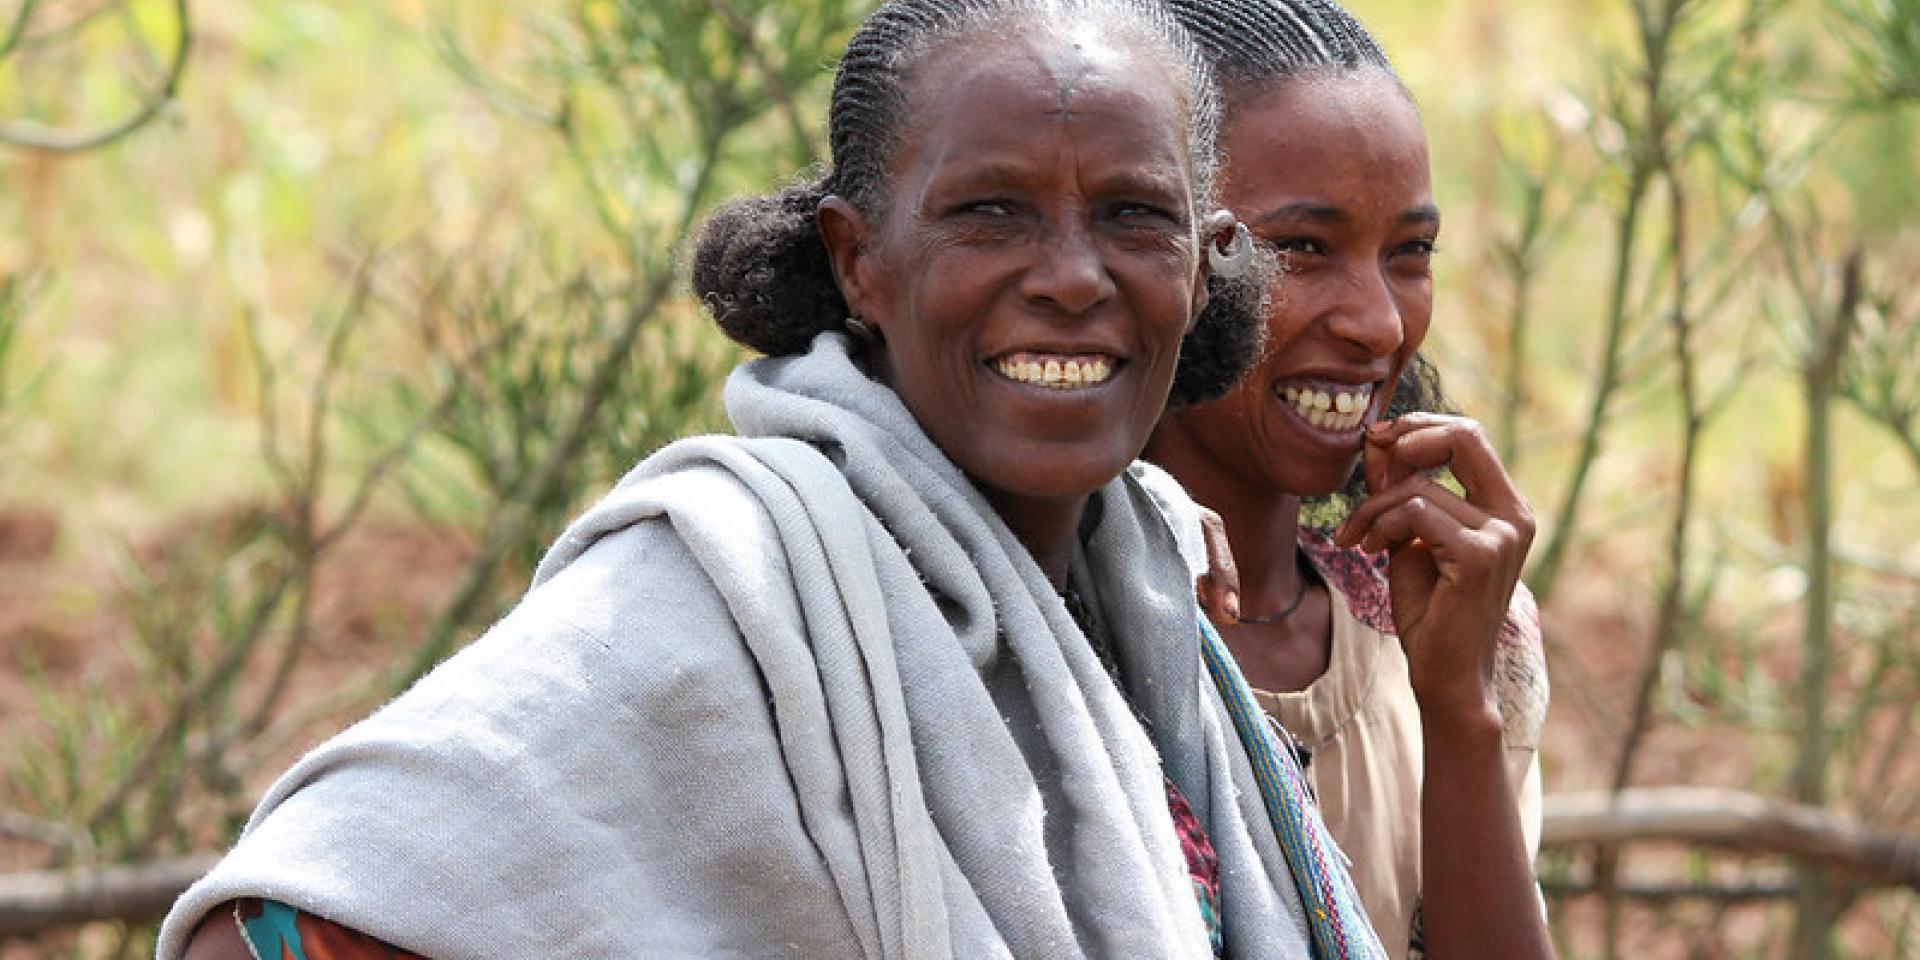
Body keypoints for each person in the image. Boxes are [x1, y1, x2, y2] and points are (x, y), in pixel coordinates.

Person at [162, 1, 1390, 957]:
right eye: (989, 213)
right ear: (858, 260)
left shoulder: (1151, 605)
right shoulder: (725, 599)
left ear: (1205, 264)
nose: (1072, 276)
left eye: (1134, 217)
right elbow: (277, 925)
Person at [1144, 1, 1554, 957]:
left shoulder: (1456, 632)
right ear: (1154, 250)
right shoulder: (1032, 624)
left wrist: (1459, 711)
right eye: (1301, 248)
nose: (1377, 322)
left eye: (1408, 252)